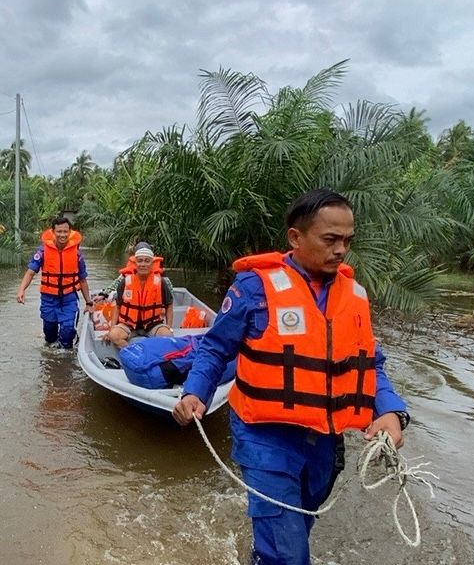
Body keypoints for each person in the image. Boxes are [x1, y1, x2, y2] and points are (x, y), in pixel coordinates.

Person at [172, 189, 411, 565]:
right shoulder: (254, 288)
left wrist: (392, 412)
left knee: (297, 528)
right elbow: (216, 348)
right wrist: (195, 392)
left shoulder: (355, 295)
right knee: (290, 556)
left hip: (324, 443)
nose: (341, 250)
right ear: (295, 238)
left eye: (347, 240)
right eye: (330, 239)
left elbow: (370, 364)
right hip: (266, 437)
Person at [16, 217, 93, 349]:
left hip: (69, 297)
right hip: (49, 298)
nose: (62, 235)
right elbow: (30, 272)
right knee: (50, 334)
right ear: (53, 232)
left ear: (70, 232)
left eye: (65, 231)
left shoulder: (77, 255)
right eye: (59, 231)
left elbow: (83, 280)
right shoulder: (43, 252)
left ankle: (66, 358)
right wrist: (21, 290)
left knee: (68, 331)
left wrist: (89, 303)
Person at [105, 242, 175, 348]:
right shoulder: (125, 282)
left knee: (167, 336)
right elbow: (118, 306)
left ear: (152, 263)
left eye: (147, 261)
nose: (143, 264)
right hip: (129, 324)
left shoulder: (161, 282)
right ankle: (133, 354)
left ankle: (149, 356)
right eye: (140, 261)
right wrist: (112, 328)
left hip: (153, 324)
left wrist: (169, 327)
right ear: (135, 263)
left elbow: (169, 305)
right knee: (114, 335)